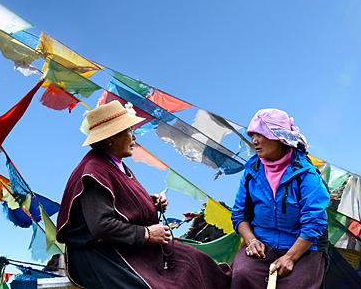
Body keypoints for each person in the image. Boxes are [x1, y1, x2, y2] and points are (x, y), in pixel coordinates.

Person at [56, 101, 232, 289]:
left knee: (198, 261)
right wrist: (146, 233)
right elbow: (102, 225)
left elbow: (119, 203)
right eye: (129, 131)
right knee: (172, 283)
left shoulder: (115, 165)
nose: (134, 137)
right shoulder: (93, 171)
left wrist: (150, 203)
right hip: (102, 254)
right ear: (111, 138)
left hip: (126, 245)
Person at [230, 109, 329, 289]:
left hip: (303, 249)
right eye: (252, 135)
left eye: (260, 134)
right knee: (242, 275)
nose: (254, 141)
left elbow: (315, 222)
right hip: (262, 245)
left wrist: (290, 257)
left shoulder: (306, 174)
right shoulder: (251, 172)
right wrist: (252, 241)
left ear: (278, 136)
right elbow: (239, 214)